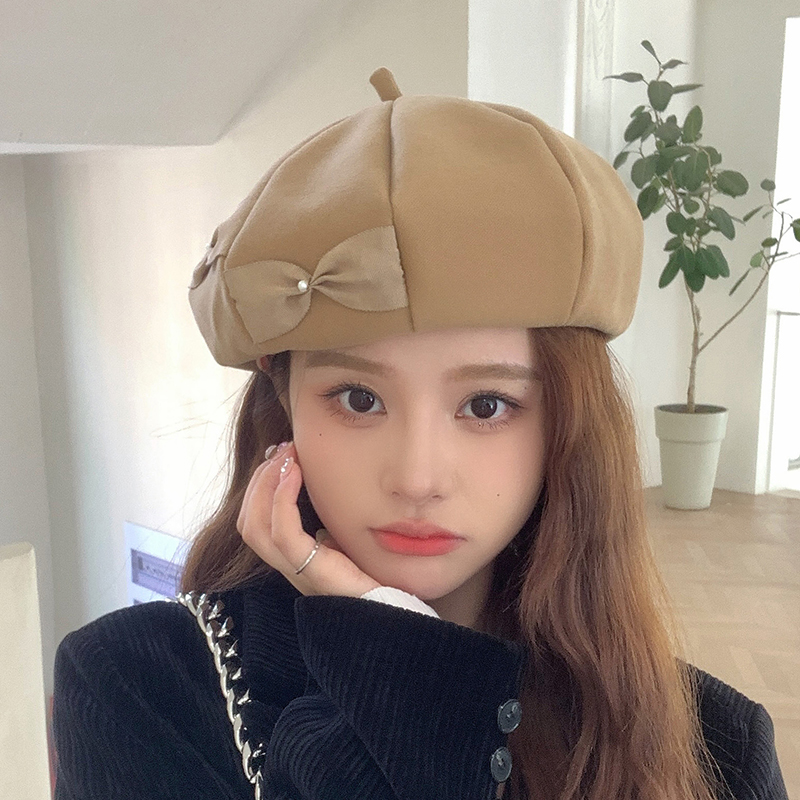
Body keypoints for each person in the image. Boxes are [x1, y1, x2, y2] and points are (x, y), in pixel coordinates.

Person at [51, 68, 789, 800]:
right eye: (358, 398)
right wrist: (388, 649)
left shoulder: (717, 748)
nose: (416, 477)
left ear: (569, 426)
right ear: (282, 402)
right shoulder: (137, 689)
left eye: (487, 406)